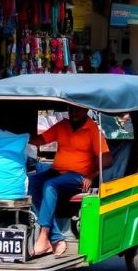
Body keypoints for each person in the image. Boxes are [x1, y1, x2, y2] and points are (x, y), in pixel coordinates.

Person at [29, 106, 110, 257]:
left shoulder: (92, 130)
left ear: (86, 111)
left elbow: (106, 159)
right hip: (57, 172)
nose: (73, 114)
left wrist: (92, 175)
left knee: (50, 185)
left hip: (79, 176)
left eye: (77, 111)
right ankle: (56, 237)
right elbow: (40, 140)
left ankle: (44, 235)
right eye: (71, 111)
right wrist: (20, 137)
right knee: (31, 183)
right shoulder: (62, 126)